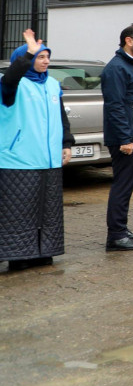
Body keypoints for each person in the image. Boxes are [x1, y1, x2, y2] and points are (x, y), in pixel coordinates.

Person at [0, 29, 73, 270]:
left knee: (48, 210)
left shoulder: (52, 84)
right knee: (20, 210)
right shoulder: (12, 85)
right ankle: (19, 256)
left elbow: (61, 117)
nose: (46, 61)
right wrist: (28, 53)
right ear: (28, 59)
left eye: (47, 57)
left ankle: (44, 251)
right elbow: (11, 78)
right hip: (20, 160)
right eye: (40, 57)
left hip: (49, 160)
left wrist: (66, 144)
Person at [100, 22, 133, 251]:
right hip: (127, 139)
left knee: (128, 186)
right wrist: (125, 139)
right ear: (128, 41)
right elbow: (115, 106)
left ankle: (122, 230)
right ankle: (116, 236)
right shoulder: (116, 68)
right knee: (122, 186)